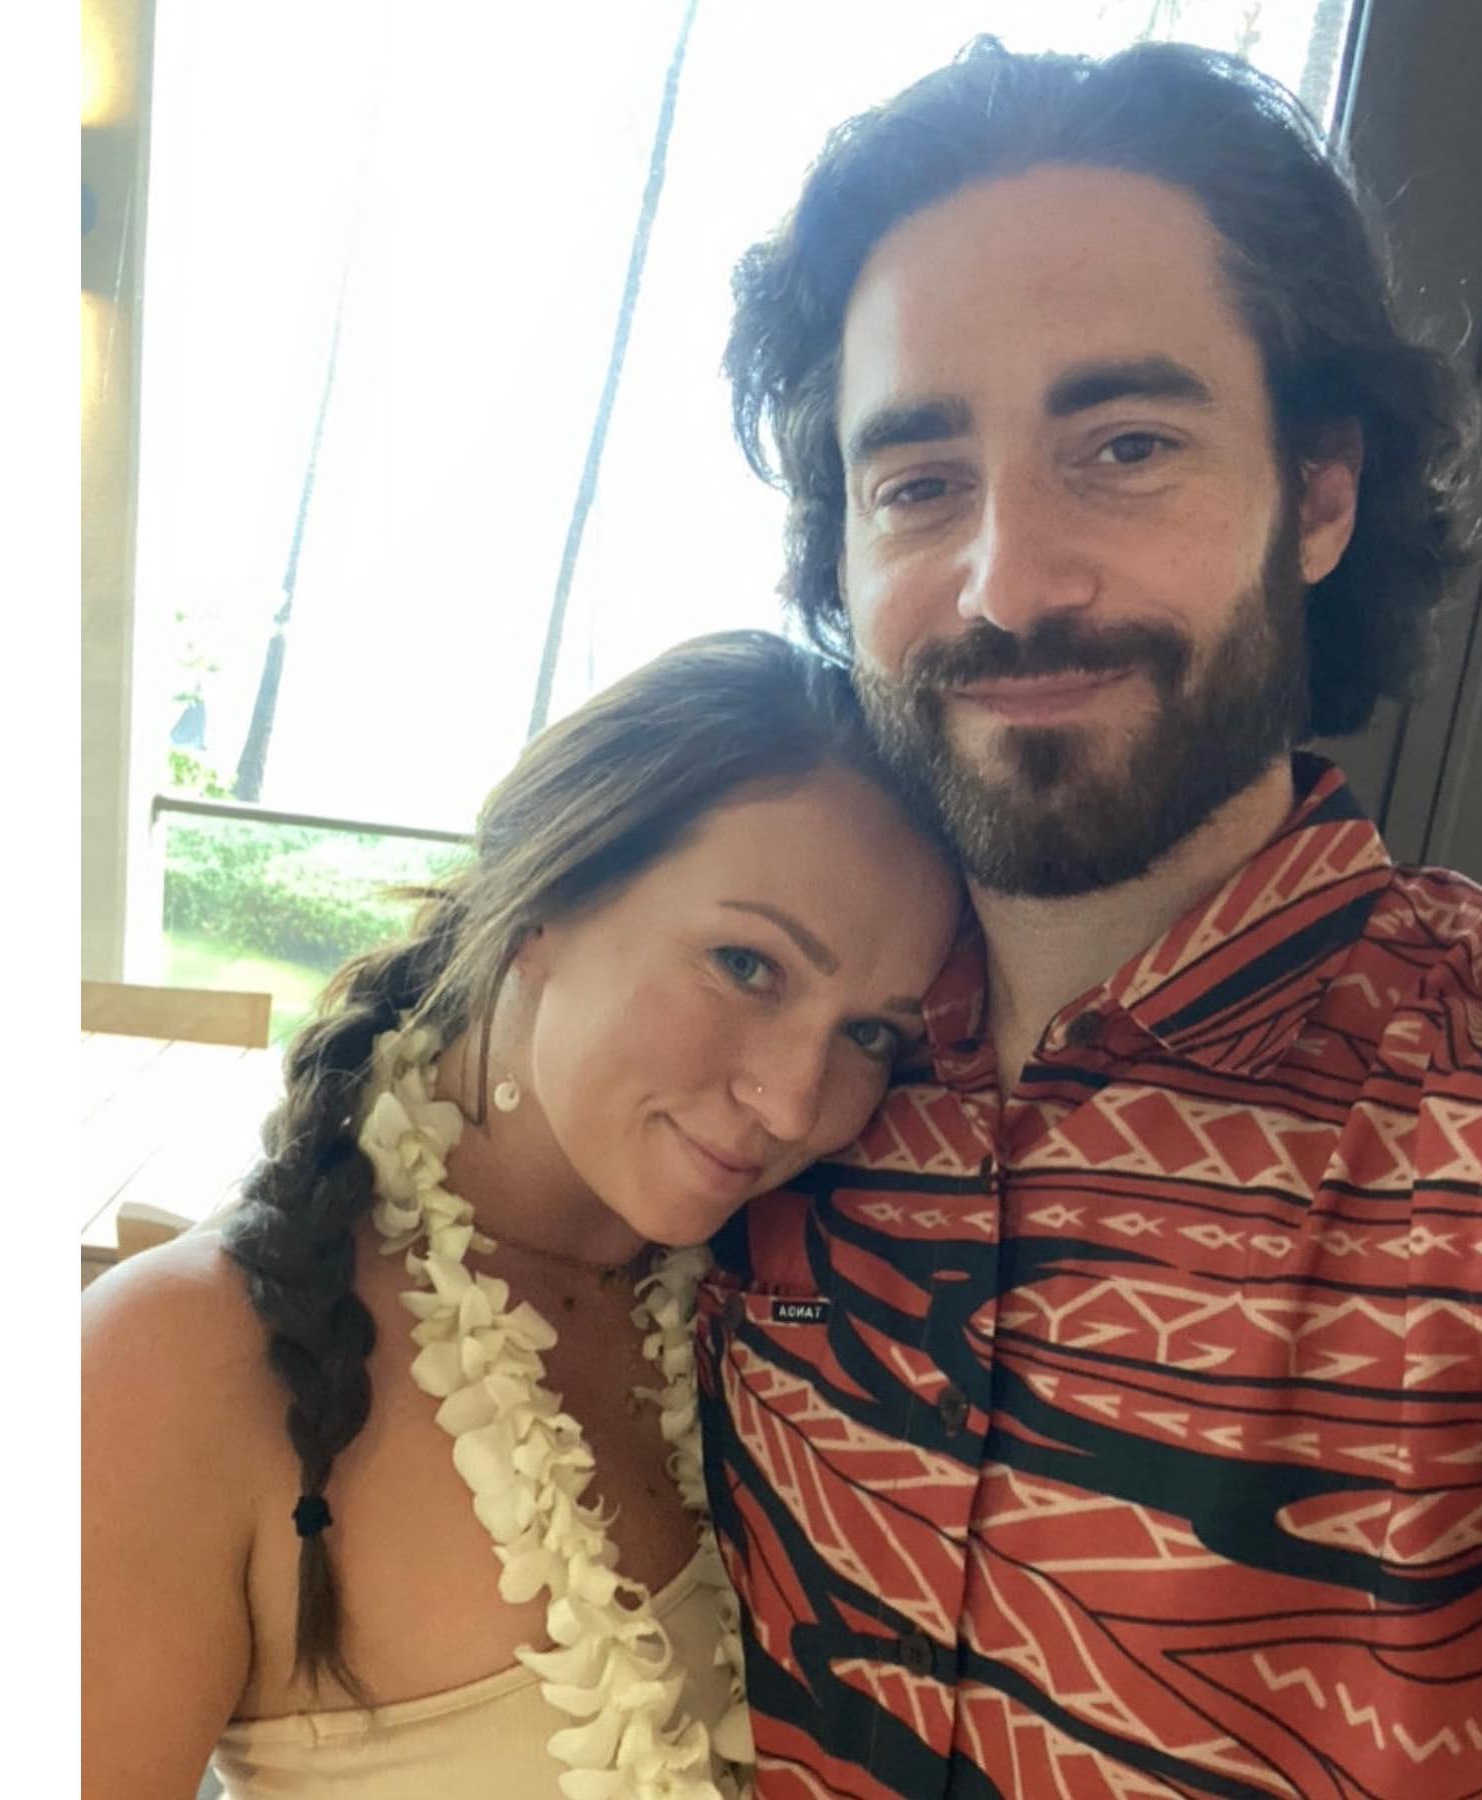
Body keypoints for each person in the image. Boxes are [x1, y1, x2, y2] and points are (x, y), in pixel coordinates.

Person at [698, 38, 1482, 1800]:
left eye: (1127, 446)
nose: (1010, 584)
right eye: (919, 483)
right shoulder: (750, 1070)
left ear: (1320, 495)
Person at [81, 631, 961, 1800]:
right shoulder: (179, 1359)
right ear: (544, 900)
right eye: (747, 966)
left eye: (870, 1034)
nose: (796, 1102)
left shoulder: (786, 1315)